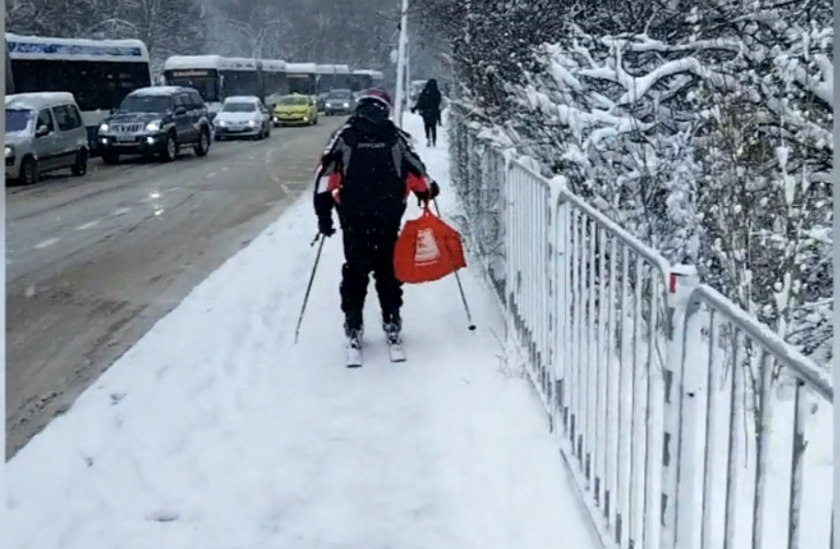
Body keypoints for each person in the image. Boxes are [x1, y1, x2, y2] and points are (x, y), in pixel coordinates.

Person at [313, 88, 440, 352]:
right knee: (388, 270)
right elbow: (418, 172)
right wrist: (427, 191)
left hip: (353, 216)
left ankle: (353, 323)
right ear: (386, 108)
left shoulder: (345, 138)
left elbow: (324, 180)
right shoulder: (394, 138)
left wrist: (323, 217)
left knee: (355, 270)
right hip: (387, 215)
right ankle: (391, 320)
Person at [411, 79, 442, 147]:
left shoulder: (424, 92)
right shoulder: (437, 92)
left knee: (427, 126)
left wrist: (415, 108)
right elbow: (438, 102)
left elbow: (420, 101)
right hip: (434, 112)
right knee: (433, 127)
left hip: (426, 112)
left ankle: (428, 138)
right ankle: (434, 140)